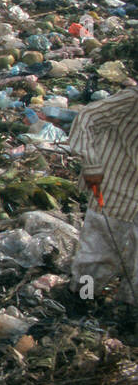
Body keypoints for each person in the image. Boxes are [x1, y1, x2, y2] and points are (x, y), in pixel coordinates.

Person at [67, 85, 138, 303]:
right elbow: (87, 117)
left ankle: (128, 309)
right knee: (96, 256)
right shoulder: (131, 100)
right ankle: (82, 299)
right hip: (113, 189)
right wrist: (91, 163)